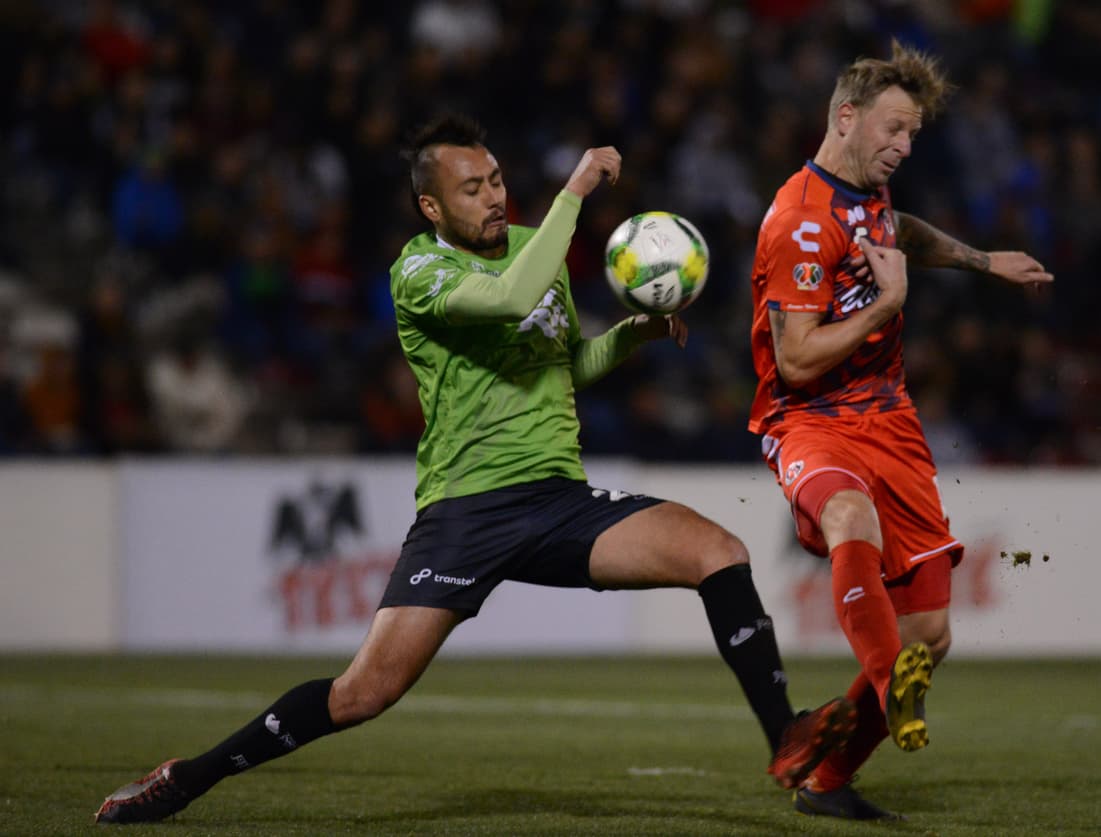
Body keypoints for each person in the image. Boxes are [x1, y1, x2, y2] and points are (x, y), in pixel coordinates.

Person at [94, 114, 855, 825]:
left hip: (560, 500)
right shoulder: (417, 271)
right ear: (431, 206)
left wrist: (631, 336)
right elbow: (510, 295)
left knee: (718, 552)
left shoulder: (535, 244)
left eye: (494, 180)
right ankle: (188, 777)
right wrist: (576, 193)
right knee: (363, 693)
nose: (493, 197)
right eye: (471, 188)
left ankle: (786, 737)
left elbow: (559, 366)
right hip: (466, 512)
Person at [747, 42, 1052, 820]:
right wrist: (886, 308)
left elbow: (899, 231)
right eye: (892, 130)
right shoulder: (800, 222)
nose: (903, 147)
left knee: (932, 632)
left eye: (912, 134)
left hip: (892, 421)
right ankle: (888, 680)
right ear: (845, 118)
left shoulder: (866, 195)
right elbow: (797, 357)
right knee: (852, 518)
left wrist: (983, 261)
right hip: (809, 419)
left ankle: (827, 774)